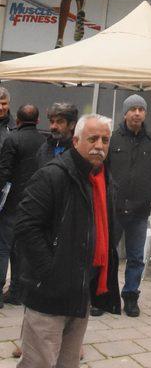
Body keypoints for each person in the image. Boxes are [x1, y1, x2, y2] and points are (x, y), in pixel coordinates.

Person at [13, 114, 120, 368]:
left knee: (68, 363)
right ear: (76, 141)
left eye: (105, 140)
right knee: (38, 363)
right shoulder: (53, 175)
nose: (99, 145)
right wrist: (49, 271)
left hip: (81, 289)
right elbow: (26, 227)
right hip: (49, 292)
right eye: (92, 138)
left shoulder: (102, 179)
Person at [107, 94, 151, 316]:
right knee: (108, 254)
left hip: (140, 211)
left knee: (136, 257)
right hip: (114, 209)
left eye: (141, 109)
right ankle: (103, 295)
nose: (137, 113)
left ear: (145, 113)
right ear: (125, 113)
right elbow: (104, 171)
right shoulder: (113, 140)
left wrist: (148, 194)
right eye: (133, 109)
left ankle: (130, 296)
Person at [0, 104, 42, 306]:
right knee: (22, 250)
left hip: (12, 202)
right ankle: (18, 291)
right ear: (38, 121)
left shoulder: (12, 139)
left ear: (16, 121)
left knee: (3, 247)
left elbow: (4, 172)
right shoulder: (44, 141)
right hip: (34, 202)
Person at [36, 102, 79, 169]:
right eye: (52, 122)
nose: (53, 127)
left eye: (60, 122)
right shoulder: (44, 148)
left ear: (72, 125)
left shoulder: (79, 151)